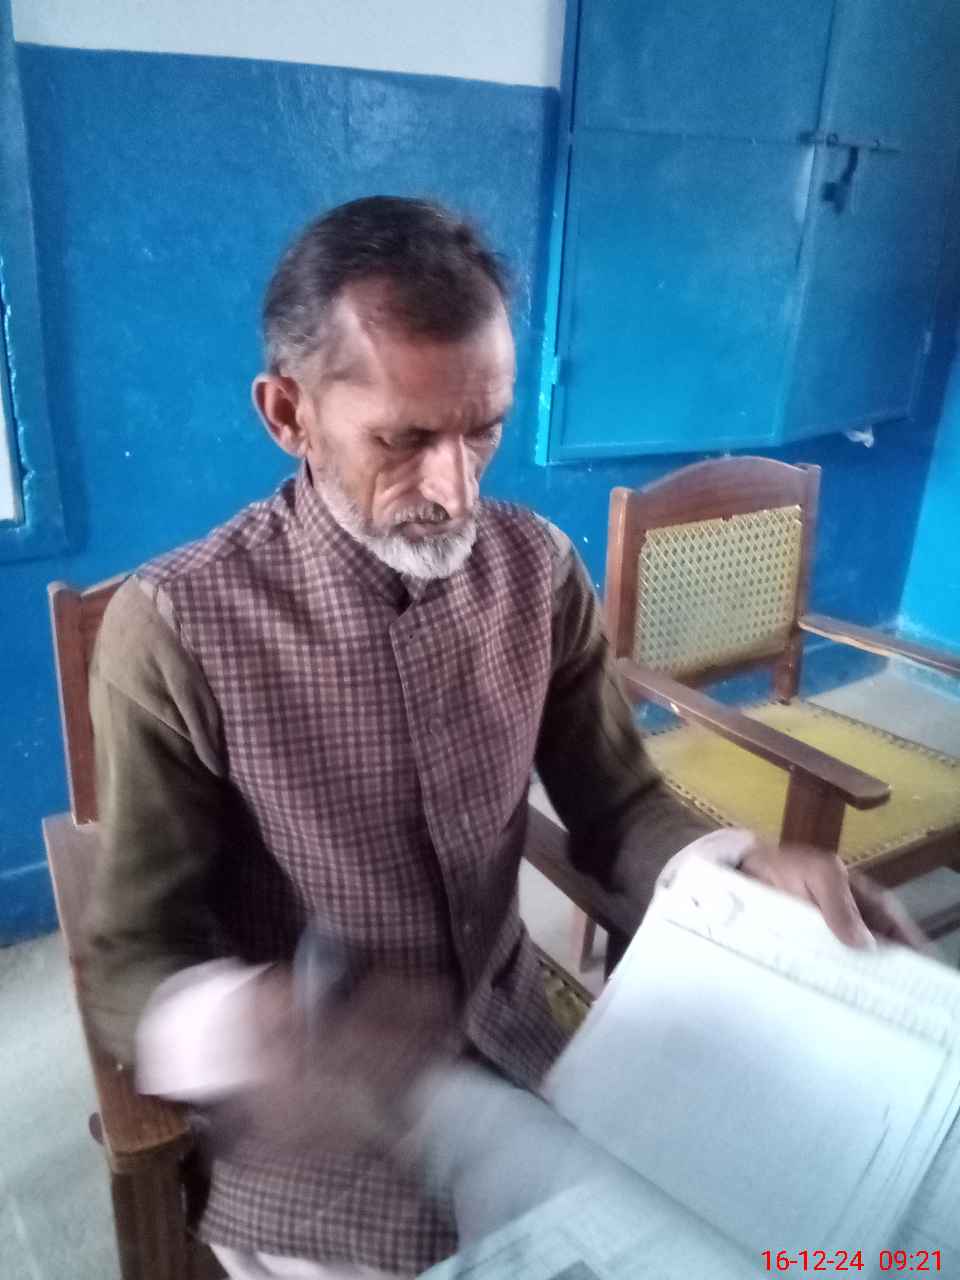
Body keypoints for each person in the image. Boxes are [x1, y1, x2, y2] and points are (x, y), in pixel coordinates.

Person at [85, 197, 921, 1280]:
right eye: (404, 439)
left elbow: (619, 804)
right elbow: (130, 954)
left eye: (481, 429)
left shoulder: (536, 571)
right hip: (320, 1134)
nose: (455, 489)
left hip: (529, 1045)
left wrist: (740, 869)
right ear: (288, 412)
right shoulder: (178, 627)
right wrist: (249, 1023)